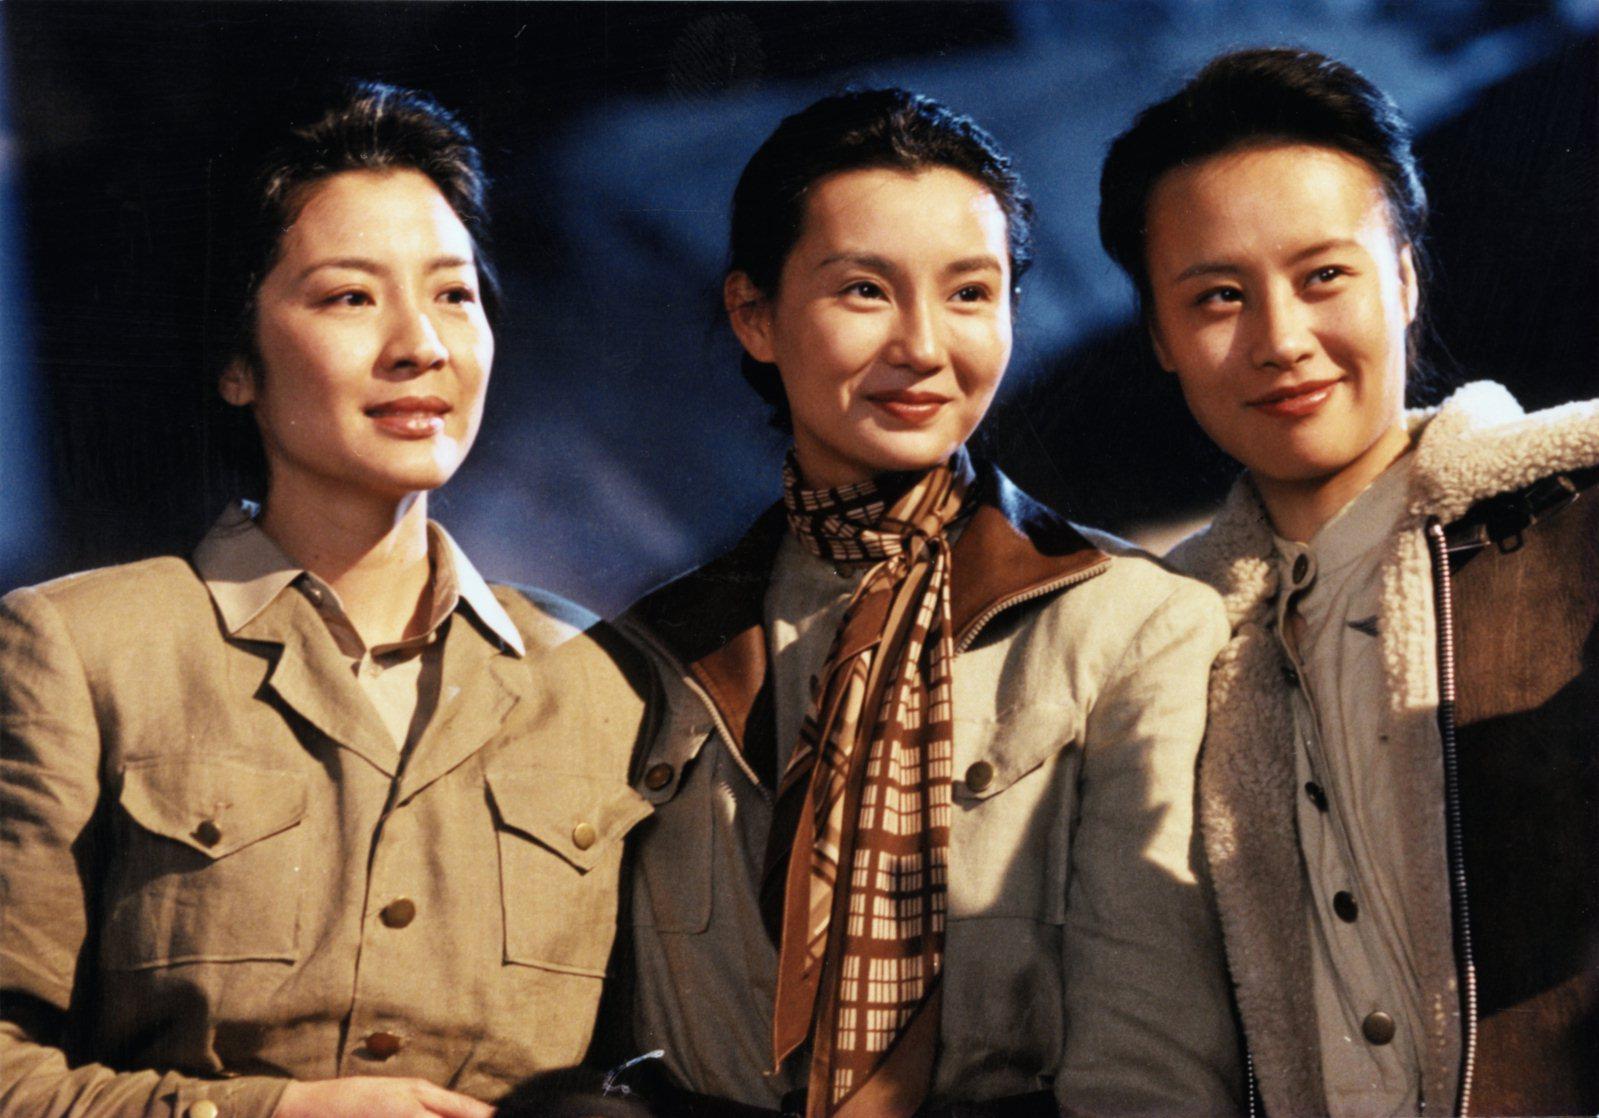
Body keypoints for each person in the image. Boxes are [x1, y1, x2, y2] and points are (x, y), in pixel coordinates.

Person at [0, 81, 653, 1118]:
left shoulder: (603, 684)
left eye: (453, 294)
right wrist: (279, 1114)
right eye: (351, 296)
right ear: (234, 362)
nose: (420, 345)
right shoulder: (82, 650)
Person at [613, 88, 1242, 1118]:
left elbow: (1152, 1064)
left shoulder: (1132, 625)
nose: (921, 344)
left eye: (968, 293)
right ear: (755, 315)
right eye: (864, 290)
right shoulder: (653, 653)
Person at [1099, 47, 1599, 1118]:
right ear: (1160, 337)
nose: (1283, 340)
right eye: (1219, 296)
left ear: (1406, 277)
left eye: (1325, 275)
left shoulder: (1578, 512)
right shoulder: (1148, 648)